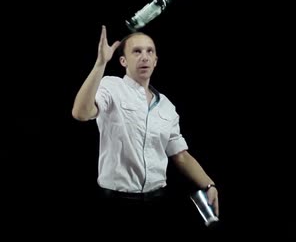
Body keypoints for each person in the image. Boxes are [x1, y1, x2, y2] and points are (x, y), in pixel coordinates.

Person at [71, 25, 219, 235]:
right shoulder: (111, 86)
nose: (144, 57)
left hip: (157, 204)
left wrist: (209, 185)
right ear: (123, 61)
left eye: (150, 51)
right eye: (137, 51)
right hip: (115, 205)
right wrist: (100, 64)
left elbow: (181, 156)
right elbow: (81, 112)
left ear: (156, 60)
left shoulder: (166, 106)